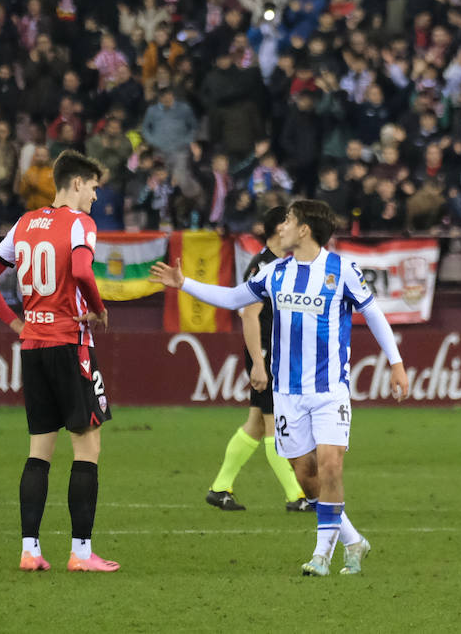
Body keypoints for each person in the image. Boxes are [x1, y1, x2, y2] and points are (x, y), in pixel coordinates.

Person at [149, 199, 409, 577]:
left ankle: (322, 555)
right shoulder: (275, 273)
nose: (281, 226)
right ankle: (353, 539)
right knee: (306, 474)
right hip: (286, 392)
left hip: (329, 390)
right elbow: (235, 298)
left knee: (331, 466)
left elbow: (374, 314)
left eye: (288, 220)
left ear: (304, 229)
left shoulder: (343, 270)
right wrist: (183, 283)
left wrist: (397, 362)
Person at [0, 150, 121, 573]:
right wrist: (99, 308)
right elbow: (82, 270)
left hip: (32, 345)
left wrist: (15, 323)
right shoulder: (79, 223)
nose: (95, 196)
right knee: (87, 446)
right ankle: (81, 551)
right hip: (70, 342)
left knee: (39, 449)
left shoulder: (23, 224)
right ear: (76, 183)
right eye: (93, 186)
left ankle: (30, 550)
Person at [203, 205, 310, 513]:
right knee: (273, 425)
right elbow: (249, 315)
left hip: (270, 354)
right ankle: (296, 497)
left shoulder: (279, 264)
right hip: (264, 355)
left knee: (255, 424)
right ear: (279, 229)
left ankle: (220, 488)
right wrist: (259, 363)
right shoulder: (264, 266)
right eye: (290, 221)